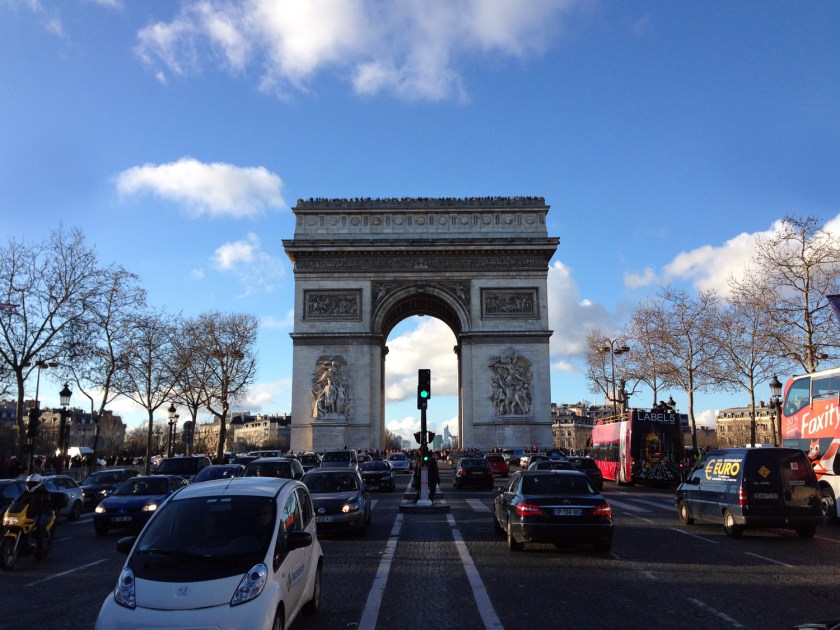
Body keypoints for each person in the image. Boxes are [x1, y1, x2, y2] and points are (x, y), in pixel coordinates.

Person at [19, 474, 53, 549]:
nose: (30, 485)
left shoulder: (45, 493)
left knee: (40, 522)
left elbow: (47, 504)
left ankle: (43, 542)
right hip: (29, 513)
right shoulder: (25, 493)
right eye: (29, 483)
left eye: (33, 483)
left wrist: (42, 509)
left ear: (39, 483)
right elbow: (18, 501)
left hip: (43, 513)